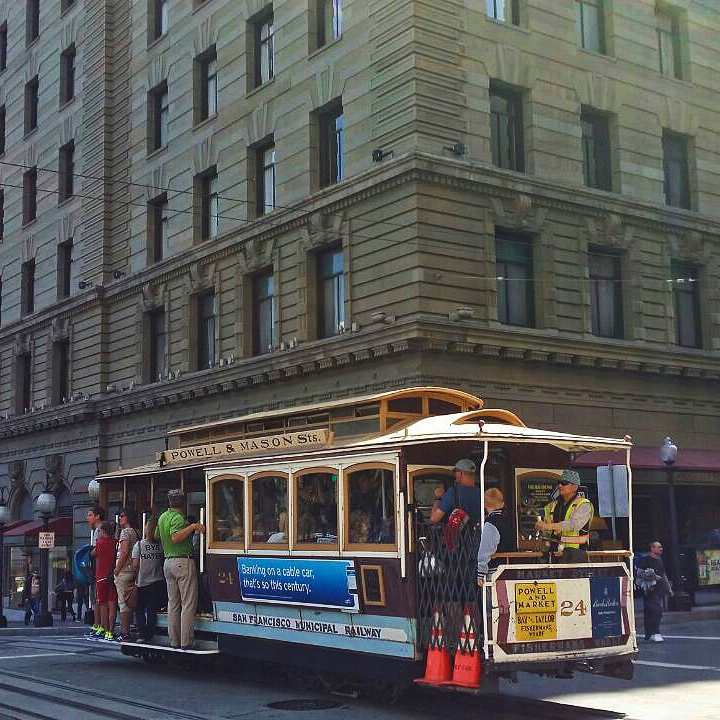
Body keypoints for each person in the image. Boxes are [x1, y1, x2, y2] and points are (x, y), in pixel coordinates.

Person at [156, 490, 205, 650]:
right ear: (183, 503)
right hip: (182, 561)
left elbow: (156, 535)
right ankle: (186, 641)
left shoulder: (163, 516)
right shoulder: (177, 518)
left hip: (167, 562)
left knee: (173, 604)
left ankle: (174, 640)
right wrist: (192, 527)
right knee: (188, 603)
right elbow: (175, 537)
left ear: (169, 502)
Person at [535, 469, 594, 562]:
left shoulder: (584, 504)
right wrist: (541, 526)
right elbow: (547, 530)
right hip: (553, 553)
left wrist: (549, 526)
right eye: (559, 482)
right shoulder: (552, 505)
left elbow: (574, 524)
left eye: (564, 483)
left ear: (575, 487)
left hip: (575, 554)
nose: (560, 485)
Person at [132, 515, 166, 643]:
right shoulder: (160, 546)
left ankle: (142, 633)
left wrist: (133, 579)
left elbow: (135, 565)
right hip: (158, 581)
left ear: (146, 529)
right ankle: (150, 633)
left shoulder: (139, 545)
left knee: (139, 608)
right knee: (152, 609)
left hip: (143, 581)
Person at [476, 488, 513, 587]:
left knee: (493, 601)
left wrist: (481, 572)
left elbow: (486, 549)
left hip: (495, 571)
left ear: (485, 504)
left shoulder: (491, 523)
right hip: (510, 568)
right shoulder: (509, 520)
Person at [637, 540, 672, 642]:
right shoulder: (646, 559)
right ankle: (656, 632)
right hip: (649, 589)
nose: (661, 549)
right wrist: (651, 576)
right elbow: (639, 573)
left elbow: (663, 575)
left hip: (659, 589)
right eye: (659, 547)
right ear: (652, 548)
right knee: (657, 610)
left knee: (651, 612)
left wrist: (669, 588)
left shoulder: (660, 560)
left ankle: (649, 634)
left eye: (661, 547)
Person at [114, 508, 140, 642]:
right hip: (134, 570)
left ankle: (125, 632)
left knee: (123, 603)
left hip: (124, 571)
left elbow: (123, 552)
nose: (120, 518)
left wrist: (116, 569)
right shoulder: (137, 532)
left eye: (122, 516)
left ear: (128, 517)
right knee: (132, 601)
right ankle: (132, 628)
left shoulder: (125, 532)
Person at [430, 458, 481, 526]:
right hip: (477, 535)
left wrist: (438, 498)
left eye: (455, 472)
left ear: (460, 473)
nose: (455, 475)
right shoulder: (480, 492)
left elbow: (434, 519)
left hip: (457, 536)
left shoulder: (453, 492)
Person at [92, 521, 117, 640]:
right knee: (112, 604)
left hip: (101, 576)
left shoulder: (100, 542)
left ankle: (105, 629)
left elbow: (93, 553)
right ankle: (111, 631)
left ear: (103, 531)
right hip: (112, 576)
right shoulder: (115, 542)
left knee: (103, 604)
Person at [86, 505, 105, 632]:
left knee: (97, 599)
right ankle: (98, 624)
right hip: (98, 568)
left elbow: (98, 549)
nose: (87, 518)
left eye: (90, 515)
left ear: (97, 516)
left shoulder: (99, 530)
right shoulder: (97, 530)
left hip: (98, 568)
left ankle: (98, 625)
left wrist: (89, 553)